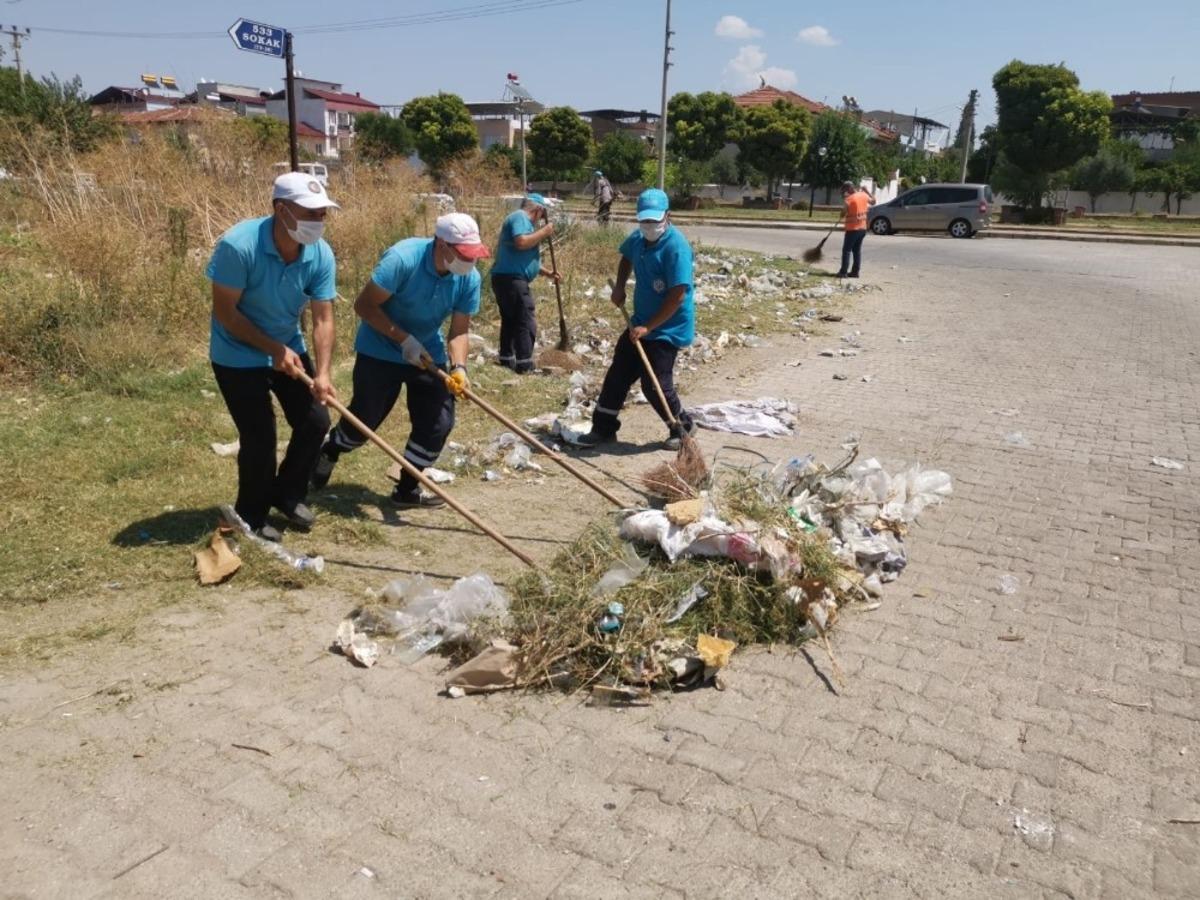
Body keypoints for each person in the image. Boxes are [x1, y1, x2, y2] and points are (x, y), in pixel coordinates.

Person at [311, 213, 490, 508]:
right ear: (442, 245)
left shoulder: (468, 278)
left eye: (474, 256)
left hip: (427, 351)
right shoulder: (402, 259)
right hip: (379, 348)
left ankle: (407, 489)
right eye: (464, 255)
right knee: (364, 421)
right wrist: (404, 340)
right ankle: (331, 450)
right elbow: (364, 305)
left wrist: (459, 367)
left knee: (438, 421)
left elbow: (459, 331)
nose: (470, 263)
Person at [207, 172, 340, 542]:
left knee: (315, 421)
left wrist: (324, 373)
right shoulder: (239, 246)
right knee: (260, 437)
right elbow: (227, 314)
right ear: (281, 210)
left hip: (287, 346)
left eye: (323, 214)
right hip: (236, 353)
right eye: (310, 213)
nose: (319, 222)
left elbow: (324, 318)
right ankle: (250, 515)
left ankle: (288, 493)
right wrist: (272, 350)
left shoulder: (319, 253)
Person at [578, 188, 696, 450]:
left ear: (667, 216)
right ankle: (603, 428)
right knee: (618, 374)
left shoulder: (676, 247)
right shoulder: (639, 238)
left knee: (655, 385)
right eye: (645, 221)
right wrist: (620, 287)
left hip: (668, 327)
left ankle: (682, 427)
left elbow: (678, 295)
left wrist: (649, 327)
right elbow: (626, 258)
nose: (649, 226)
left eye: (654, 221)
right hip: (640, 323)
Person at [490, 194, 559, 374]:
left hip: (507, 277)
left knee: (511, 319)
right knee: (525, 318)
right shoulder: (520, 217)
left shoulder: (525, 223)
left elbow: (525, 257)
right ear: (538, 210)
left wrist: (547, 273)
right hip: (511, 279)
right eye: (542, 216)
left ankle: (507, 358)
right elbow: (521, 243)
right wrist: (544, 232)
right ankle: (525, 363)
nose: (541, 221)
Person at [837, 181, 869, 279]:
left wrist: (842, 212)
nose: (845, 193)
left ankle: (843, 272)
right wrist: (867, 191)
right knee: (857, 251)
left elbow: (842, 213)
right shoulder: (864, 195)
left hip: (852, 229)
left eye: (845, 191)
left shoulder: (849, 199)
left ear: (849, 189)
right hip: (863, 228)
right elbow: (874, 201)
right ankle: (855, 272)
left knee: (846, 250)